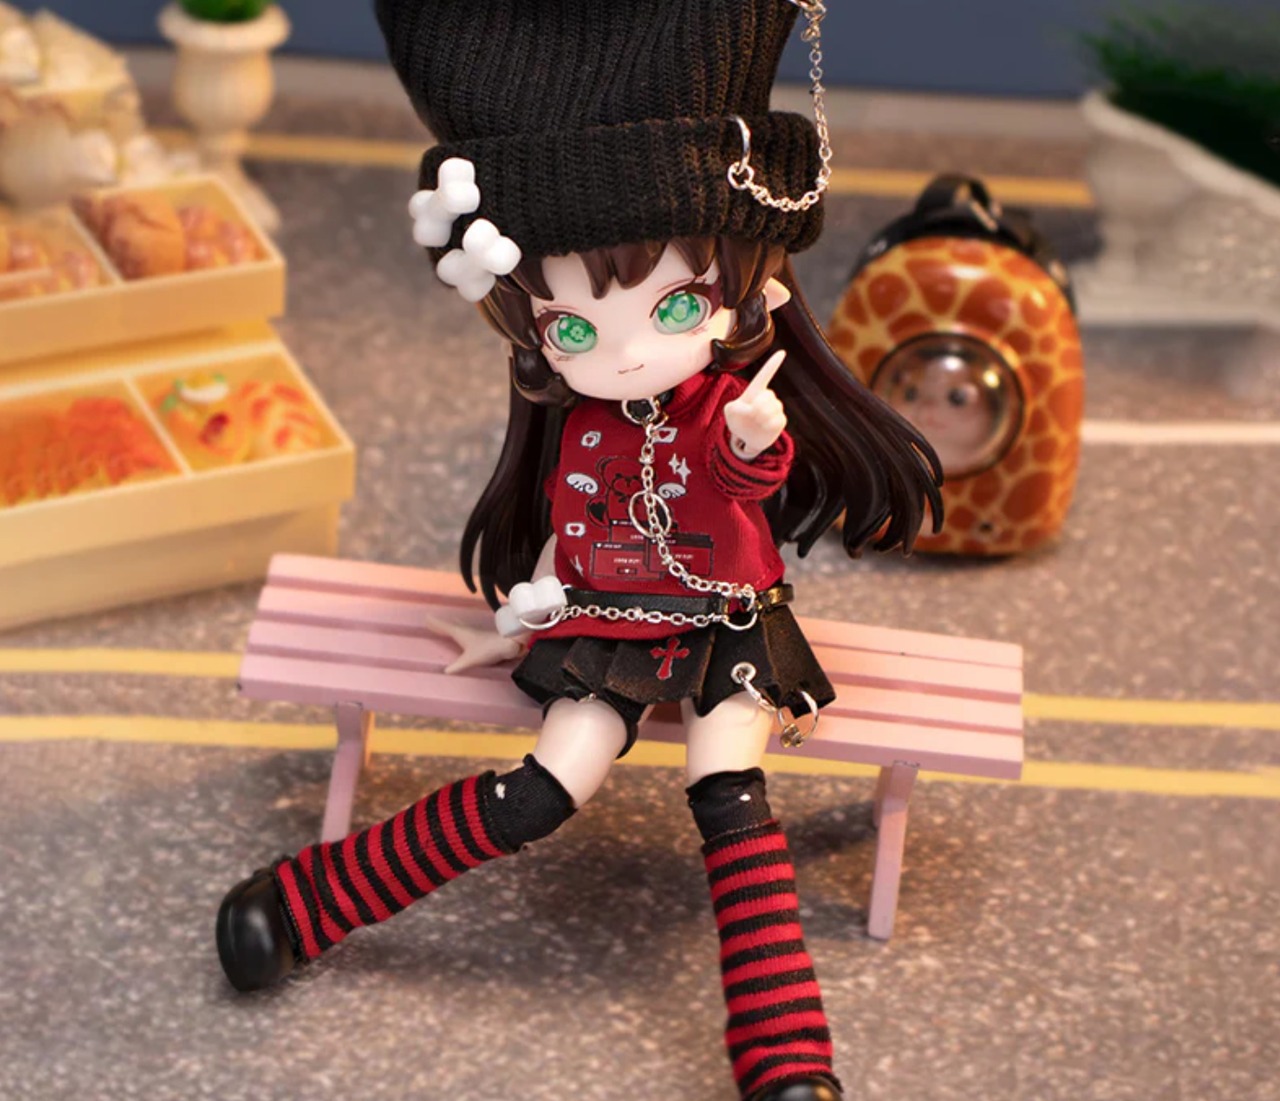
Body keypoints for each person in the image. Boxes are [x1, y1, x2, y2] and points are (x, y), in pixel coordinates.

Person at [215, 4, 942, 1099]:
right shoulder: (587, 428)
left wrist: (754, 441)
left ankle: (786, 1057)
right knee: (541, 789)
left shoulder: (721, 409)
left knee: (729, 784)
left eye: (676, 304)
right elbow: (573, 527)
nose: (625, 354)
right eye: (569, 328)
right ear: (527, 328)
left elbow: (743, 480)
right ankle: (307, 901)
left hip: (726, 623)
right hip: (606, 625)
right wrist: (523, 616)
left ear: (750, 288)